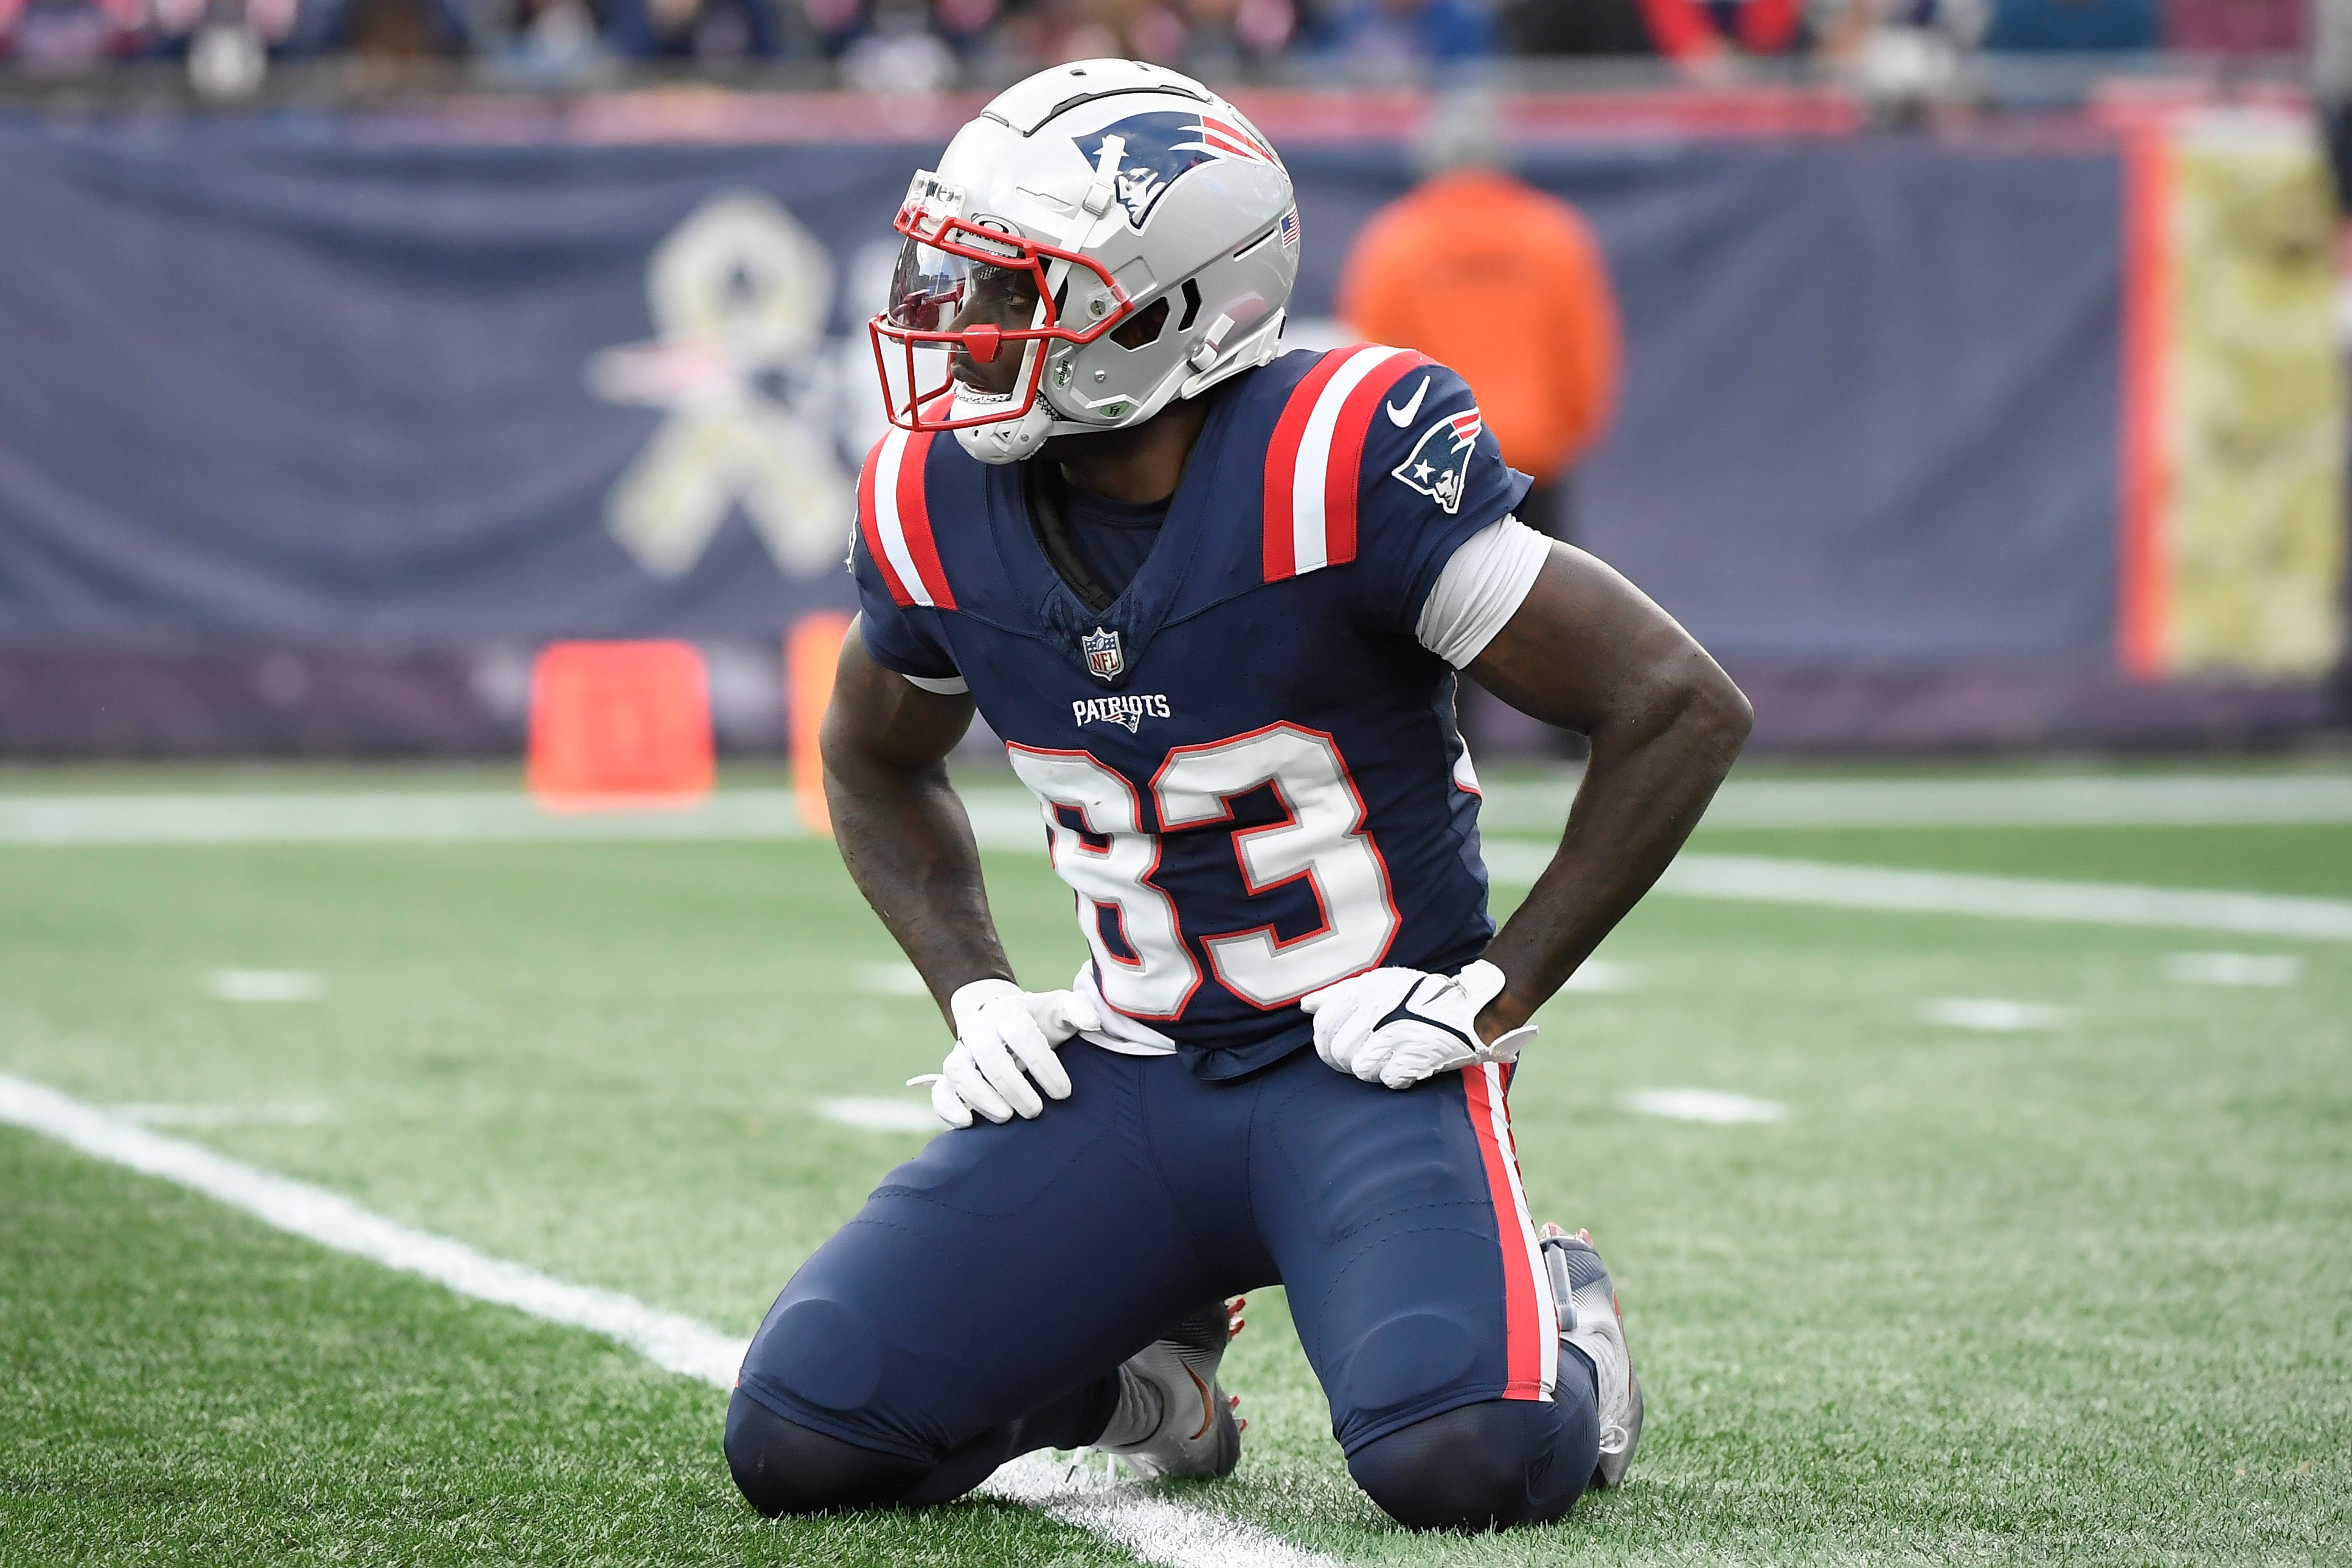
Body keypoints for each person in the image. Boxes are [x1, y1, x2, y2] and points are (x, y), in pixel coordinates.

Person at [725, 60, 1750, 1532]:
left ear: (1163, 309)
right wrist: (976, 991)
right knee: (806, 1435)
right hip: (1127, 1072)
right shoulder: (926, 495)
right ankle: (1149, 1387)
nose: (959, 324)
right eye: (956, 279)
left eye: (1016, 287)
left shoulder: (1339, 458)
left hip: (1362, 1074)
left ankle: (1567, 1321)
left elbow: (1674, 702)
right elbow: (871, 757)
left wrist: (1488, 991)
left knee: (1457, 1459)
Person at [1337, 95, 1619, 546]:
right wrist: (1560, 438)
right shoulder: (1555, 238)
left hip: (1430, 473)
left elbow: (1371, 370)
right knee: (1541, 610)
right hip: (1533, 465)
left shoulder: (1394, 244)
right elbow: (1583, 360)